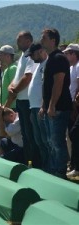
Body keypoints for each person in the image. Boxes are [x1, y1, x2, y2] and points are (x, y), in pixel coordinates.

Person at [40, 28, 73, 179]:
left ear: (53, 40)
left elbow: (58, 83)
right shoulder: (51, 58)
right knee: (51, 141)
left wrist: (52, 105)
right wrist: (44, 105)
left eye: (44, 38)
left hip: (59, 108)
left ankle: (60, 172)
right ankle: (54, 170)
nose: (41, 40)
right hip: (51, 108)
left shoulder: (59, 58)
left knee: (57, 142)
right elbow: (46, 86)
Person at [7, 31, 40, 167]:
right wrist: (10, 86)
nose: (17, 43)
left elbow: (27, 77)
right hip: (20, 100)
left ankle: (36, 163)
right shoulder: (22, 56)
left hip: (27, 100)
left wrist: (14, 89)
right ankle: (28, 162)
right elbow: (17, 77)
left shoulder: (31, 55)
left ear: (28, 40)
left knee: (31, 135)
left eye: (19, 40)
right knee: (25, 135)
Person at [26, 42, 51, 171]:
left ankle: (51, 165)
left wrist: (43, 105)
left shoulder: (47, 63)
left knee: (46, 140)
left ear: (41, 51)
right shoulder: (38, 65)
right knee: (38, 140)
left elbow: (46, 87)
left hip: (41, 107)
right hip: (33, 107)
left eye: (33, 54)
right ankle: (44, 164)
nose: (31, 58)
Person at [63, 43, 79, 177]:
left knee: (74, 134)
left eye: (67, 53)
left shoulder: (78, 66)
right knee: (71, 136)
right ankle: (73, 164)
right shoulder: (71, 67)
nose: (66, 55)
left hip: (76, 106)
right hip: (71, 106)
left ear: (74, 54)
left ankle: (76, 165)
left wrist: (75, 104)